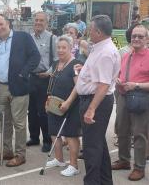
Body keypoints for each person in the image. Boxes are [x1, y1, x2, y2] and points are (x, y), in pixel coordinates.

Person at [0, 14, 40, 167]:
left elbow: (35, 57)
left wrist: (24, 72)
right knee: (4, 122)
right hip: (1, 87)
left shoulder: (23, 37)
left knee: (19, 123)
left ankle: (20, 154)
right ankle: (7, 150)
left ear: (8, 23)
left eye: (1, 24)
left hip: (19, 86)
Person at [75, 15, 120, 185]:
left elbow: (103, 85)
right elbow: (99, 75)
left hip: (96, 102)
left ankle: (92, 182)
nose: (88, 31)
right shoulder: (99, 47)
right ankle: (105, 181)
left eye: (90, 29)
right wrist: (85, 69)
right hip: (94, 99)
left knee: (91, 149)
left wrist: (91, 108)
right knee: (98, 145)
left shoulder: (106, 52)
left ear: (98, 32)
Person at [111, 25, 149, 181]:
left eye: (140, 36)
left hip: (141, 98)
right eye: (134, 36)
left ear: (147, 39)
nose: (136, 39)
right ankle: (124, 160)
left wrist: (136, 85)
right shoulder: (127, 55)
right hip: (123, 96)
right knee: (122, 130)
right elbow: (120, 73)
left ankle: (139, 168)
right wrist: (119, 80)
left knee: (139, 134)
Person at [45, 35, 81, 177]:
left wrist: (68, 102)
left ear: (71, 49)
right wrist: (47, 99)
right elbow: (51, 83)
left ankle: (74, 165)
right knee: (54, 132)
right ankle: (59, 159)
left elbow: (79, 86)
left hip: (71, 105)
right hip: (54, 104)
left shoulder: (76, 64)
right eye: (58, 47)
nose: (60, 50)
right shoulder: (55, 64)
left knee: (71, 135)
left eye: (64, 48)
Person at [27, 12, 57, 152]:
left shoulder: (52, 39)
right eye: (36, 20)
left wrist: (49, 72)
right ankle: (34, 137)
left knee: (43, 111)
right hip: (31, 78)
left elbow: (57, 59)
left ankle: (47, 140)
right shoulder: (29, 38)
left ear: (46, 23)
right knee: (31, 110)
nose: (38, 22)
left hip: (45, 79)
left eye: (41, 20)